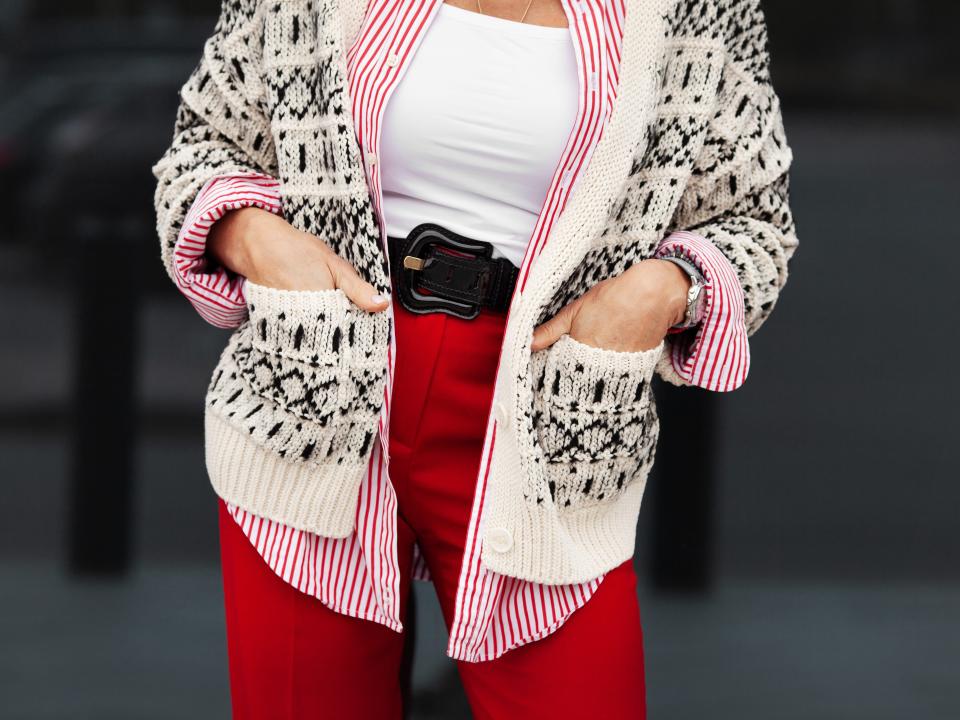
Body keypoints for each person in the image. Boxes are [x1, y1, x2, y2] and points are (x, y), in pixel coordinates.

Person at [151, 0, 798, 717]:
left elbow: (755, 227)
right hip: (311, 387)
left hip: (555, 424)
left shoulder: (700, 11)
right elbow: (204, 148)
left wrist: (657, 292)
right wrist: (256, 241)